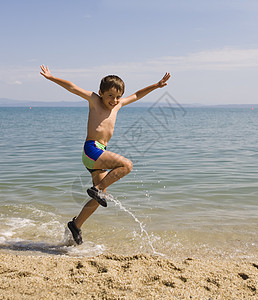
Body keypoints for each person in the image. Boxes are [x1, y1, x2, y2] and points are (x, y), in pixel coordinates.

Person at [40, 65, 171, 245]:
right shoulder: (94, 100)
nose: (114, 100)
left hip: (98, 154)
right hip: (91, 149)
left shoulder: (118, 106)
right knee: (127, 165)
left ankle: (75, 225)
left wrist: (156, 85)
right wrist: (51, 77)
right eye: (110, 96)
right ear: (101, 93)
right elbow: (72, 87)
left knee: (100, 196)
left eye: (118, 96)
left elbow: (137, 95)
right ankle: (97, 189)